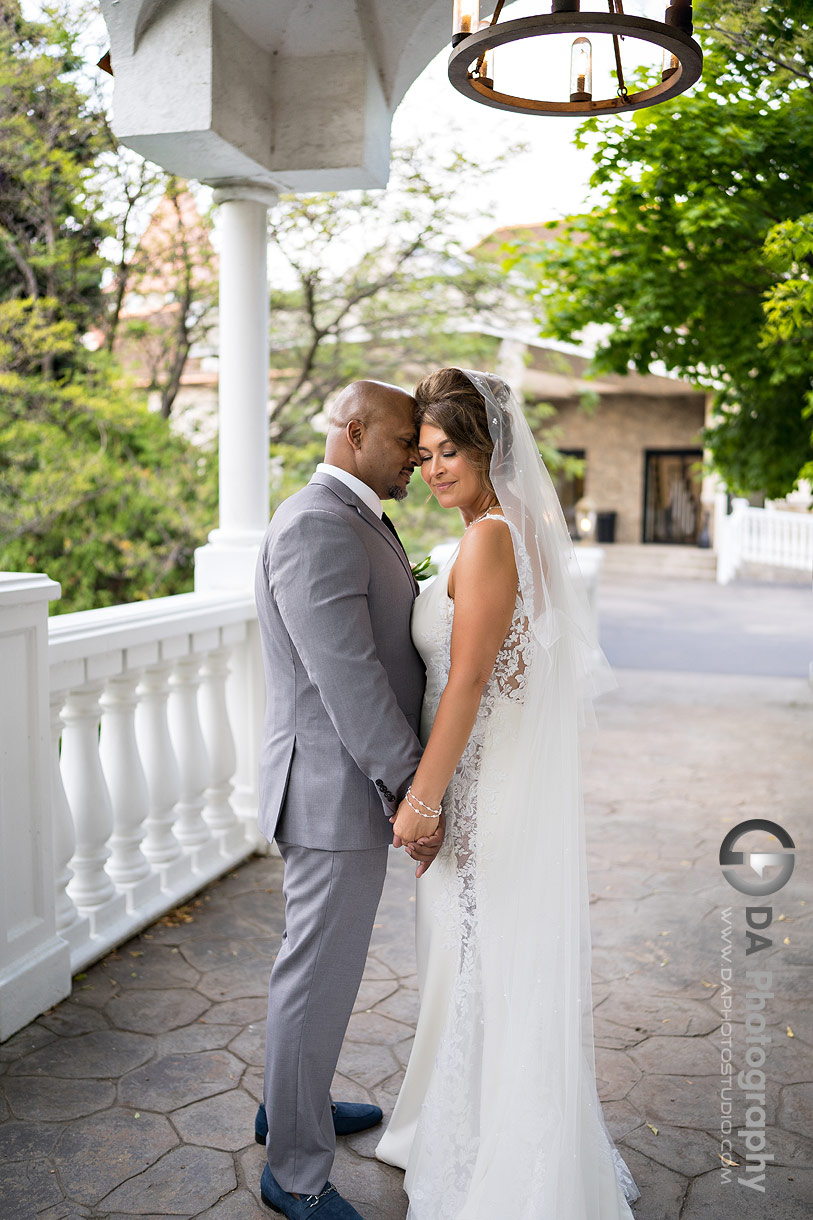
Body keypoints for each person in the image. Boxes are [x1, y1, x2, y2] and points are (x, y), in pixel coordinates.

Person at [374, 368, 641, 1219]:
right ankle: (466, 1122)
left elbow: (471, 680)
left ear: (489, 449)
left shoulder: (489, 538)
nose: (436, 467)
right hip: (499, 772)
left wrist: (424, 798)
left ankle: (491, 1148)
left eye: (450, 450)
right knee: (484, 955)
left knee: (476, 952)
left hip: (483, 783)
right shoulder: (510, 527)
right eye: (424, 454)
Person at [253, 380, 443, 1220]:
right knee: (316, 978)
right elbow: (348, 680)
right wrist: (413, 788)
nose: (415, 456)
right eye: (406, 440)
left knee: (317, 971)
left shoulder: (353, 514)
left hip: (341, 787)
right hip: (332, 792)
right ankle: (293, 1170)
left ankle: (293, 1106)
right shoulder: (316, 523)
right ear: (355, 431)